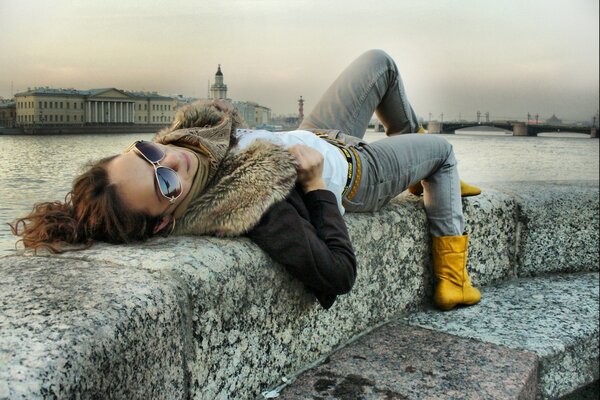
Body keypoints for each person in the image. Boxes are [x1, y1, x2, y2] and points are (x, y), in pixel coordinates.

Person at [11, 49, 481, 311]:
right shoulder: (252, 207)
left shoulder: (187, 137)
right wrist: (317, 188)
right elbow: (339, 275)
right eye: (164, 186)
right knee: (442, 153)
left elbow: (176, 155)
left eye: (150, 153)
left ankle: (422, 174)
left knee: (381, 63)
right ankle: (451, 277)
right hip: (357, 173)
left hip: (317, 132)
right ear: (161, 223)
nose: (173, 162)